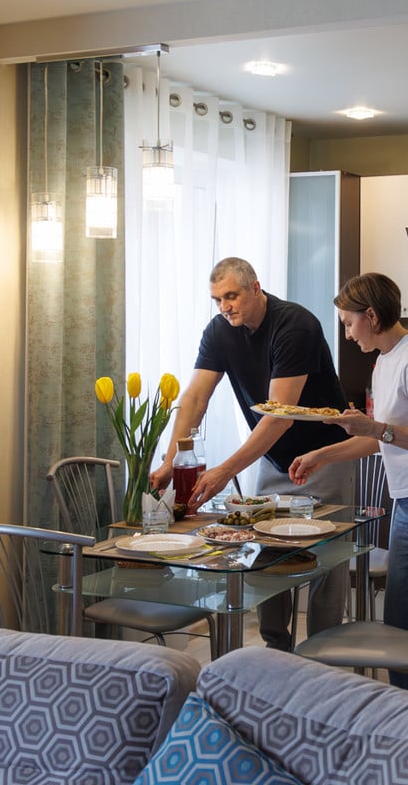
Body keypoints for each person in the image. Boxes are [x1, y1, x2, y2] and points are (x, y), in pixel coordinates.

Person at [150, 257, 354, 651]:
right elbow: (194, 399)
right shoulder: (219, 331)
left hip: (326, 454)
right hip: (275, 458)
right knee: (264, 551)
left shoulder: (294, 325)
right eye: (217, 299)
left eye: (232, 296)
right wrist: (170, 461)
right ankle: (276, 652)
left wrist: (226, 470)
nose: (225, 306)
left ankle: (323, 656)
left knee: (327, 558)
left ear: (256, 288)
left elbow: (280, 416)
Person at [289, 272, 408, 692]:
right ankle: (403, 707)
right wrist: (321, 456)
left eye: (349, 323)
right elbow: (381, 438)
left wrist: (374, 427)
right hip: (407, 501)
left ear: (371, 315)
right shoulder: (386, 360)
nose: (348, 334)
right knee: (400, 621)